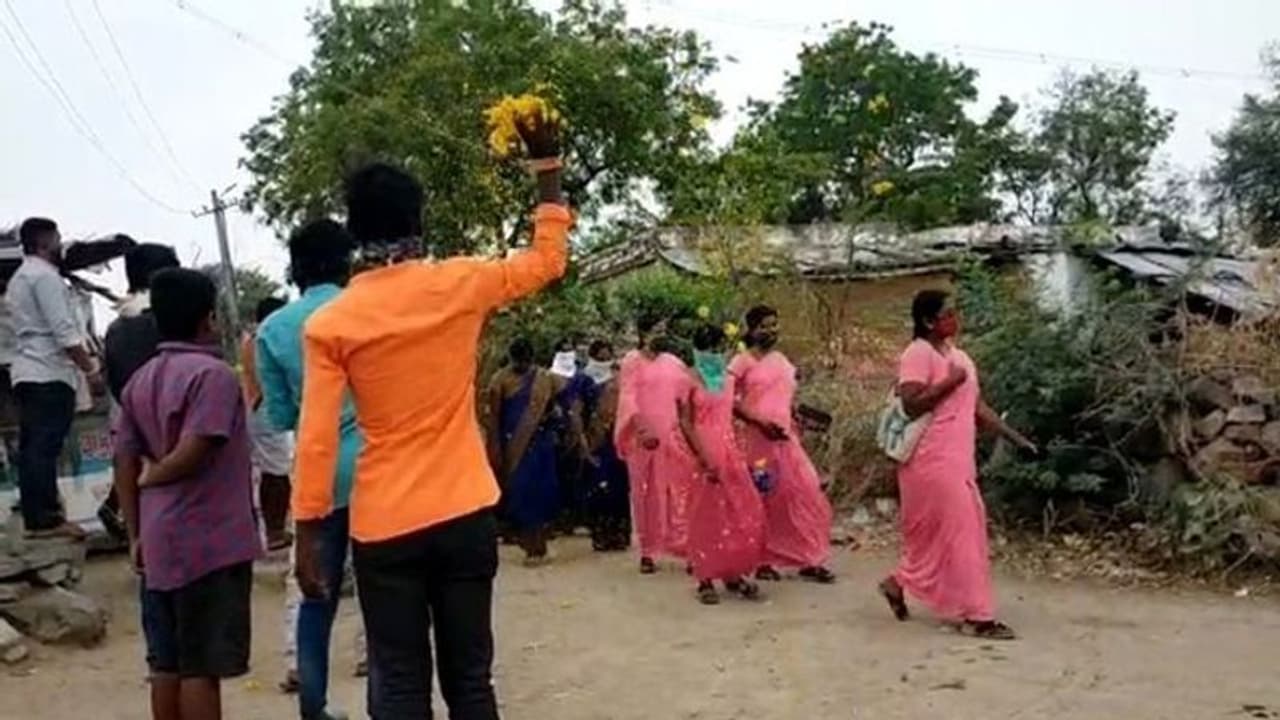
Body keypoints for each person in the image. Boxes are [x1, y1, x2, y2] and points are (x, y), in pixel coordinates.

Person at [292, 115, 568, 719]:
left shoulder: (331, 324)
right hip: (464, 510)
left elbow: (315, 439)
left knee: (399, 687)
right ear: (419, 222)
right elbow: (547, 261)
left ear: (353, 233)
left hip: (385, 524)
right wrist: (546, 172)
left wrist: (308, 534)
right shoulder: (463, 282)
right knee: (471, 682)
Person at [112, 267, 259, 720]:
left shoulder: (139, 381)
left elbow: (123, 459)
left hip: (158, 540)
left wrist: (135, 534)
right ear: (209, 319)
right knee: (201, 667)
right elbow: (196, 448)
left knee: (166, 663)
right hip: (209, 543)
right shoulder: (214, 376)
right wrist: (154, 476)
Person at [256, 220, 366, 719]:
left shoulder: (273, 329)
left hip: (317, 472)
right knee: (382, 587)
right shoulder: (364, 309)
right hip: (377, 465)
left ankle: (313, 704)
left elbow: (279, 416)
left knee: (315, 592)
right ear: (347, 262)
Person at [879, 289, 1035, 641]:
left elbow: (977, 407)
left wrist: (1016, 440)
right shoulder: (917, 353)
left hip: (958, 458)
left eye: (955, 312)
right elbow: (911, 405)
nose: (955, 319)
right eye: (947, 314)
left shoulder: (960, 357)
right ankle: (977, 616)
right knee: (962, 532)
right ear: (927, 321)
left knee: (949, 534)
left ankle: (898, 582)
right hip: (930, 460)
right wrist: (950, 382)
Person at [5, 217, 101, 539]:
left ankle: (38, 514)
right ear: (45, 242)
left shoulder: (20, 279)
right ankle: (45, 519)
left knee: (34, 445)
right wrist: (90, 369)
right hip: (48, 371)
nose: (61, 245)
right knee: (44, 446)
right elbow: (64, 333)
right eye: (57, 239)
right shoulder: (45, 278)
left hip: (28, 370)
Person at [729, 305, 836, 584]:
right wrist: (759, 422)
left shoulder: (781, 360)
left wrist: (796, 416)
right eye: (764, 326)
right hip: (757, 444)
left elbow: (784, 396)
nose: (771, 330)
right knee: (764, 497)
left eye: (774, 325)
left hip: (787, 441)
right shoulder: (741, 362)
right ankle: (763, 560)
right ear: (751, 329)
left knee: (806, 491)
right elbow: (728, 400)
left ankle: (810, 558)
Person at [678, 324, 766, 605]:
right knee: (705, 515)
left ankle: (732, 572)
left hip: (730, 450)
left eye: (719, 348)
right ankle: (704, 577)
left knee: (739, 511)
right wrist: (703, 457)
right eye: (710, 348)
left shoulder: (727, 379)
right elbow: (685, 421)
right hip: (703, 451)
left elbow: (735, 409)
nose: (715, 353)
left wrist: (761, 423)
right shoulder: (688, 379)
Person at [99, 243, 180, 541]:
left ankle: (126, 519)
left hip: (129, 415)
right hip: (168, 419)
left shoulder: (117, 326)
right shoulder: (165, 319)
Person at [615, 314, 697, 574]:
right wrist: (642, 430)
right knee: (645, 495)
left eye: (664, 329)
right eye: (656, 330)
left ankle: (685, 548)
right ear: (643, 333)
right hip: (643, 441)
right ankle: (648, 552)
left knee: (679, 493)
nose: (662, 335)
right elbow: (628, 398)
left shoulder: (673, 362)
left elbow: (688, 395)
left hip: (672, 438)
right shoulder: (632, 361)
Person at [486, 338, 561, 565]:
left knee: (543, 493)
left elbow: (557, 407)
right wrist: (494, 447)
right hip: (513, 448)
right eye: (519, 361)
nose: (522, 366)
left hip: (541, 445)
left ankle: (540, 545)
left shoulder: (545, 379)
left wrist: (552, 417)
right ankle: (530, 546)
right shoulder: (499, 380)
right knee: (521, 495)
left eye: (526, 361)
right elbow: (493, 418)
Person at [242, 295, 293, 551]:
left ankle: (274, 530)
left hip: (258, 410)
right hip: (265, 410)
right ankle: (275, 532)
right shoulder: (264, 339)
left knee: (272, 471)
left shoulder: (253, 340)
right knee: (276, 473)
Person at [581, 340, 629, 552]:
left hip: (617, 440)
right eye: (600, 357)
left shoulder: (619, 382)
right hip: (596, 440)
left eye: (607, 356)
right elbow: (578, 410)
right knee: (599, 488)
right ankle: (601, 534)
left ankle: (618, 535)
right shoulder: (584, 380)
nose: (604, 361)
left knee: (618, 488)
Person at [548, 338, 591, 535]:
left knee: (578, 474)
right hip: (556, 432)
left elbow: (589, 404)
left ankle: (577, 517)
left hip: (579, 429)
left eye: (569, 350)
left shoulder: (582, 378)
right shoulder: (548, 377)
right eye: (563, 350)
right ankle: (558, 518)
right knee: (557, 475)